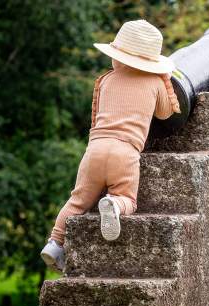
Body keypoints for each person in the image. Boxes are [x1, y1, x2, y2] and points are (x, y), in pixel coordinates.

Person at [40, 20, 180, 272]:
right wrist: (165, 80)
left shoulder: (105, 80)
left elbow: (96, 115)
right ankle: (114, 205)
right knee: (127, 197)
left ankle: (54, 242)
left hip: (95, 149)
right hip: (125, 152)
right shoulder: (155, 82)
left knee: (77, 201)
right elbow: (165, 113)